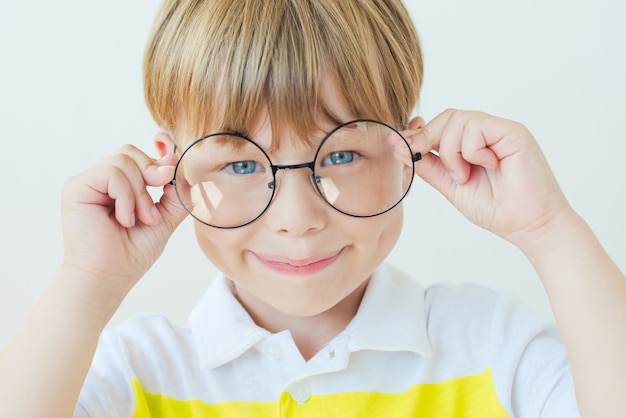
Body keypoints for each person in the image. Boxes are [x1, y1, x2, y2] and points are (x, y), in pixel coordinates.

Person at [1, 0, 624, 416]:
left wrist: (550, 229)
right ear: (175, 169)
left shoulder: (490, 346)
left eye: (343, 156)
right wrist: (87, 284)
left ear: (405, 149)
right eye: (241, 164)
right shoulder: (137, 373)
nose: (297, 218)